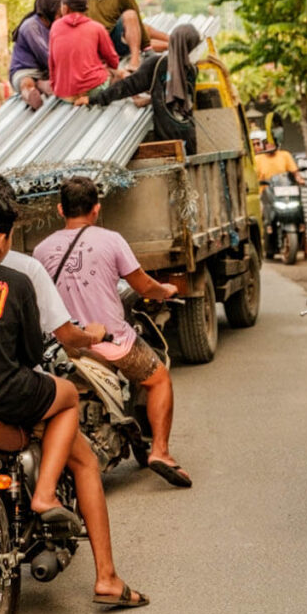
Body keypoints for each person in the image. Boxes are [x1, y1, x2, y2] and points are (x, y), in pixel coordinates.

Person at [0, 175, 148, 614]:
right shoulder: (23, 272)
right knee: (84, 458)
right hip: (14, 396)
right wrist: (89, 334)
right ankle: (101, 570)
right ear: (2, 233)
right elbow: (50, 345)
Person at [33, 175, 192, 489]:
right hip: (110, 343)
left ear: (60, 209)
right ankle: (160, 451)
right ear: (96, 209)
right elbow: (142, 285)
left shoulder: (40, 250)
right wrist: (166, 291)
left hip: (62, 344)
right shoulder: (112, 240)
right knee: (159, 378)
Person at [75, 23, 201, 156]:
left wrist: (93, 99)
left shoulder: (156, 64)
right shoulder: (192, 70)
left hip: (167, 141)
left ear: (173, 40)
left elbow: (126, 87)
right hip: (189, 135)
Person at [76, 0, 151, 72]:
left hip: (115, 40)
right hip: (97, 44)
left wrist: (147, 48)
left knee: (130, 14)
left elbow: (137, 21)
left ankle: (134, 61)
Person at [48, 0, 120, 102]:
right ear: (86, 9)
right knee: (118, 74)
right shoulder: (97, 27)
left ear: (65, 8)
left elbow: (52, 62)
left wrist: (55, 88)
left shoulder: (55, 26)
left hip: (65, 94)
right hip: (93, 89)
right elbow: (114, 61)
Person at [255, 139, 307, 259]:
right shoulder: (258, 159)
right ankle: (263, 246)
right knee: (261, 218)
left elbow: (294, 172)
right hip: (267, 193)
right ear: (264, 145)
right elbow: (254, 176)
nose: (270, 145)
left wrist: (299, 178)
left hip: (286, 192)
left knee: (300, 217)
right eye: (267, 143)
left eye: (272, 143)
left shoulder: (285, 155)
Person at [9, 0, 61, 110]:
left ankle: (40, 83)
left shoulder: (55, 26)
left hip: (46, 70)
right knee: (26, 83)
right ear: (50, 8)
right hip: (26, 70)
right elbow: (44, 54)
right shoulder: (30, 27)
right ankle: (32, 90)